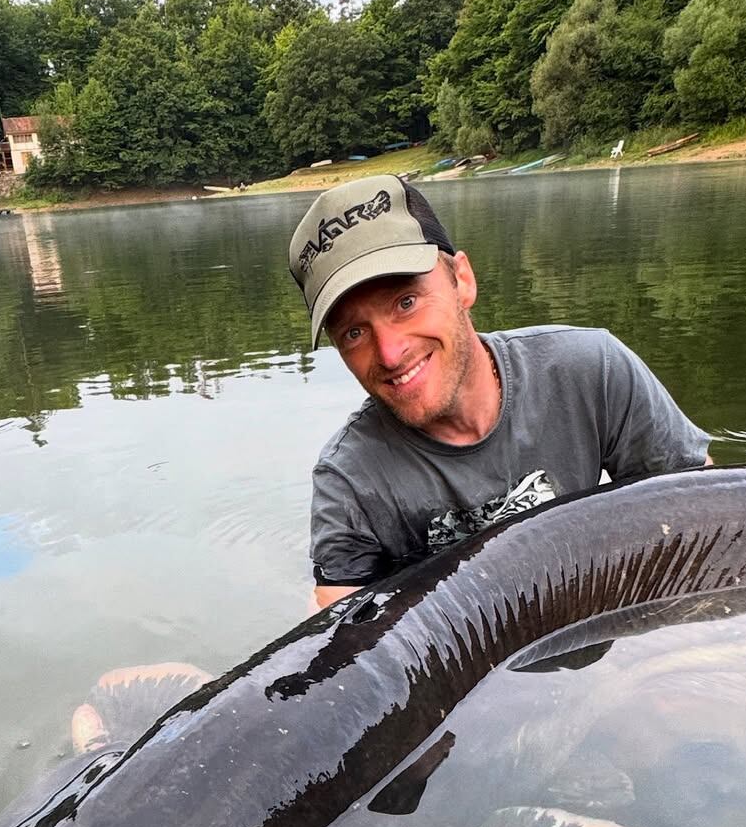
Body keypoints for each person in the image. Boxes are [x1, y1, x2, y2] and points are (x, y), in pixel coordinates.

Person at [289, 175, 712, 611]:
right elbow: (340, 630)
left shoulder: (592, 371)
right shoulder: (349, 480)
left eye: (406, 302)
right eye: (354, 332)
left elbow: (707, 520)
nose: (390, 353)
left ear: (462, 281)